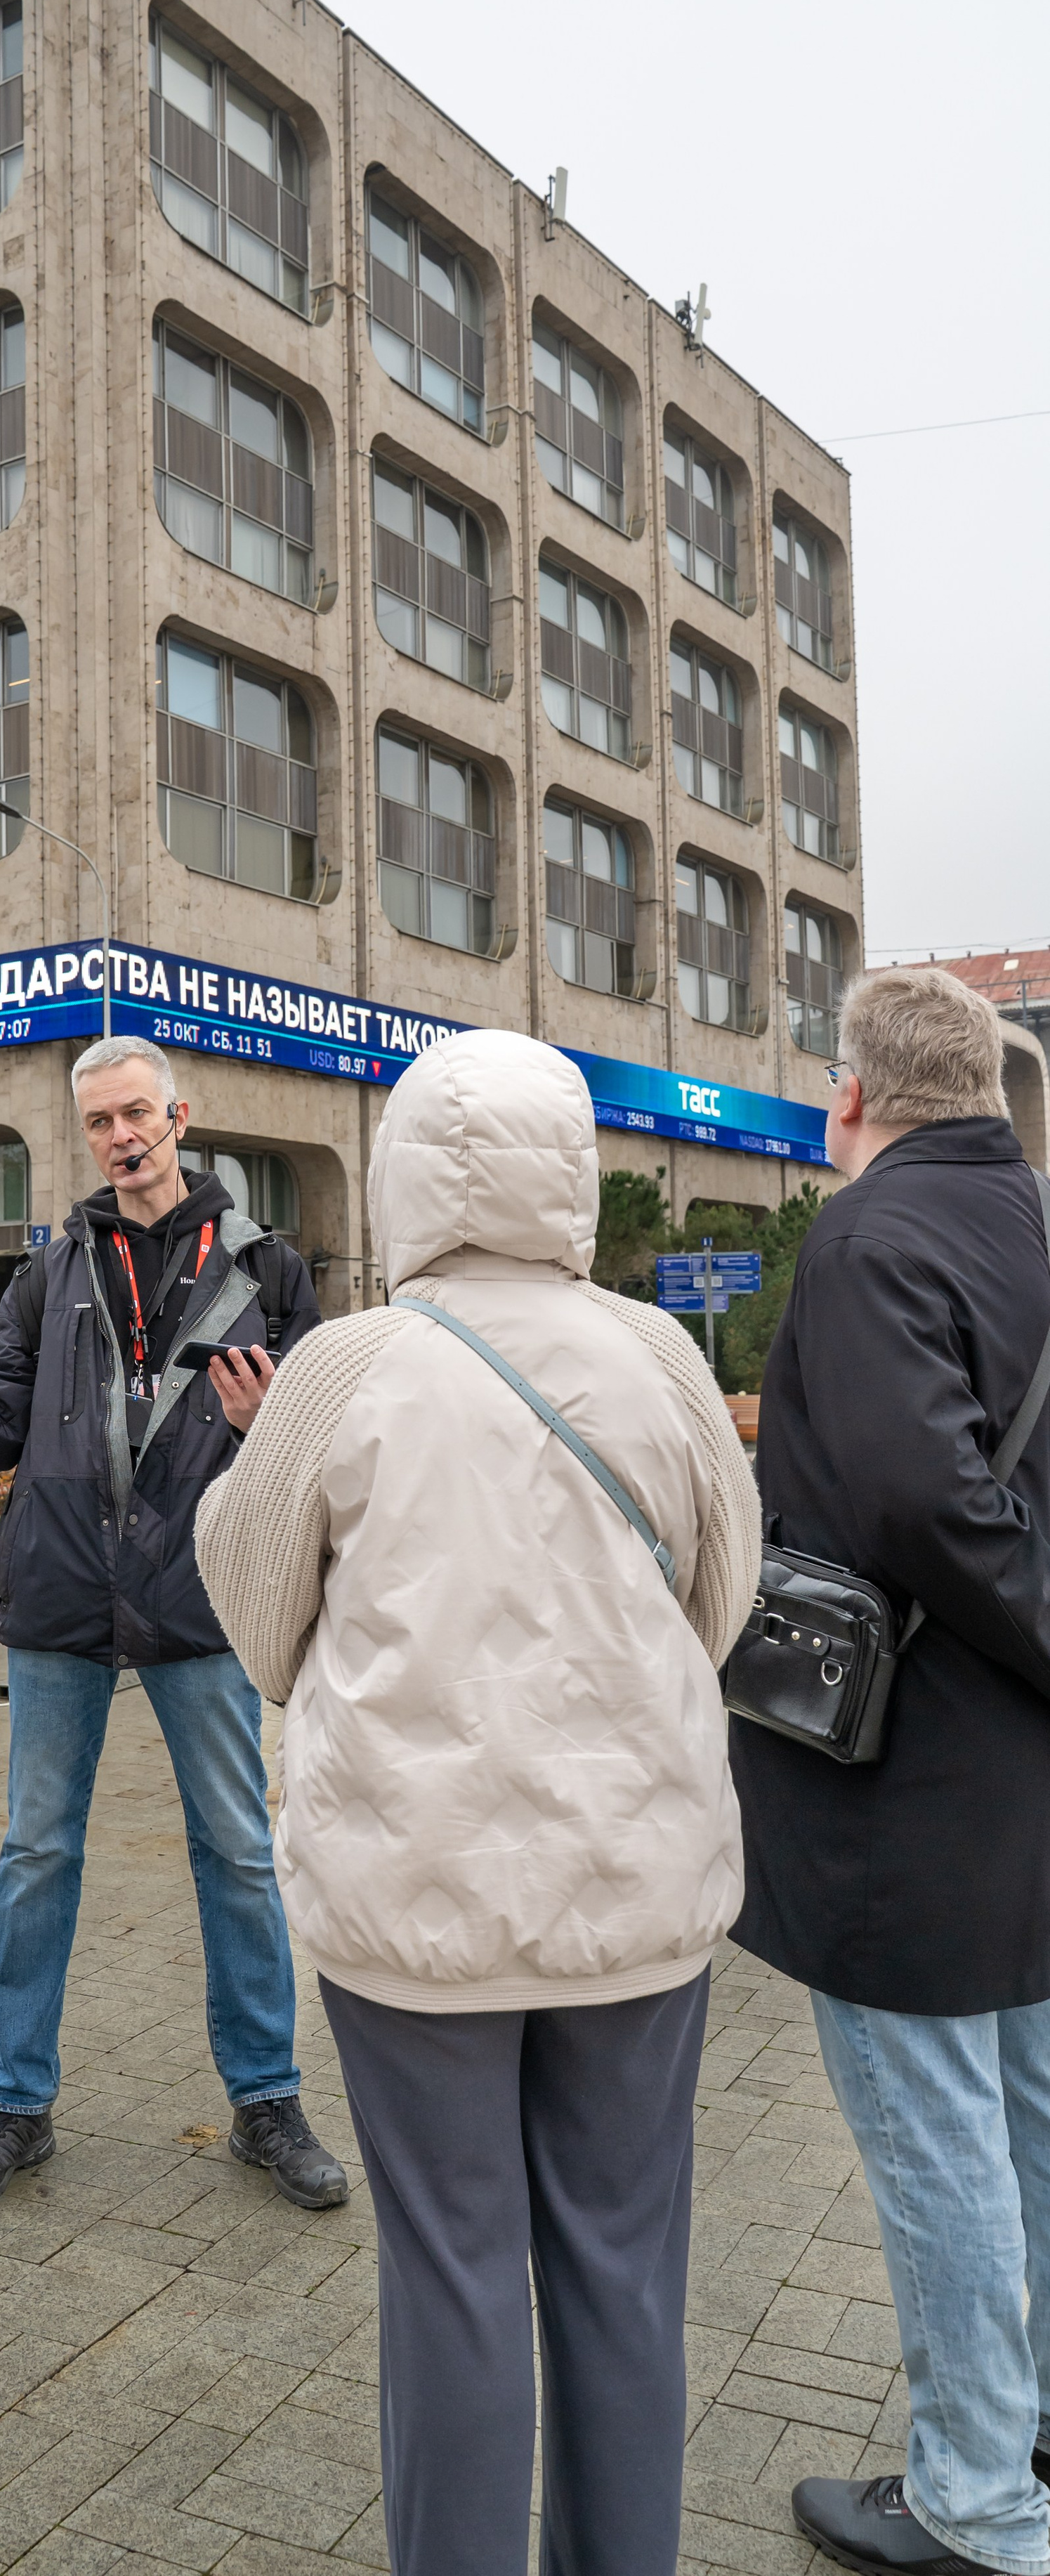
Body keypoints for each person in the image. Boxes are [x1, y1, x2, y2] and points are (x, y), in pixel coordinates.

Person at [195, 1027, 760, 2576]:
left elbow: (252, 1615)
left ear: (399, 1177)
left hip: (409, 1899)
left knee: (449, 2271)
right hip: (636, 1893)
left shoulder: (351, 1364)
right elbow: (721, 1603)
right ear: (567, 1173)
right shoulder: (657, 1358)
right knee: (625, 2267)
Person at [0, 1034, 348, 2213]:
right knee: (38, 1853)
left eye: (137, 1113)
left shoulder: (269, 1266)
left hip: (199, 1598)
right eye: (99, 1122)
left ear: (180, 1116)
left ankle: (267, 2101)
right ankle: (15, 2105)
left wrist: (269, 1427)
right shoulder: (53, 1272)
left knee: (241, 1855)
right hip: (58, 1598)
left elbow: (321, 1450)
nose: (120, 1137)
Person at [729, 968, 1050, 2576]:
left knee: (937, 2143)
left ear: (845, 1099)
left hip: (905, 1787)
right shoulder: (1036, 1224)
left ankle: (979, 2504)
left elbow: (921, 1502)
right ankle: (1033, 2426)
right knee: (1030, 2118)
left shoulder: (861, 1236)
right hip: (1024, 1795)